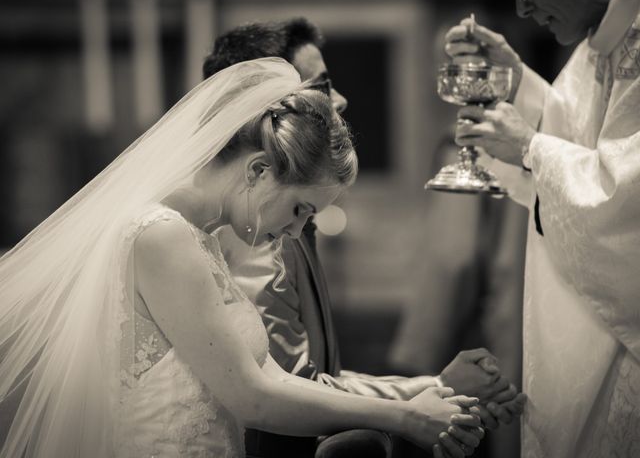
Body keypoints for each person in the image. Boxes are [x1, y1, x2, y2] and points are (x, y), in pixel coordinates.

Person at [0, 58, 485, 458]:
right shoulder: (160, 236)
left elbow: (267, 373)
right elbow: (251, 397)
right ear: (257, 169)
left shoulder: (198, 237)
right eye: (300, 209)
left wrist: (419, 395)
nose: (297, 231)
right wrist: (405, 416)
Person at [204, 18, 526, 457]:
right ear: (273, 110)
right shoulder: (253, 233)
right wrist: (435, 387)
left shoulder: (274, 215)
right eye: (323, 84)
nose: (340, 98)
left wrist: (439, 391)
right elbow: (289, 389)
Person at [445, 0, 640, 456]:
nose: (521, 6)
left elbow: (627, 197)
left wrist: (531, 147)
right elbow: (575, 134)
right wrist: (516, 82)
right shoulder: (604, 38)